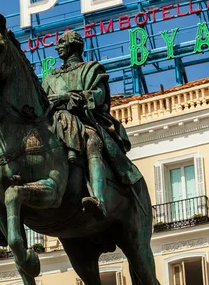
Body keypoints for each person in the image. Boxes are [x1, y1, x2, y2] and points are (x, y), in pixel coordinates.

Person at [42, 30, 142, 220]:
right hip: (54, 123)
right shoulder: (50, 78)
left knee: (92, 142)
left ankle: (98, 199)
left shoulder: (91, 69)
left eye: (62, 42)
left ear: (73, 45)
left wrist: (68, 97)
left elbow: (98, 95)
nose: (57, 46)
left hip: (84, 121)